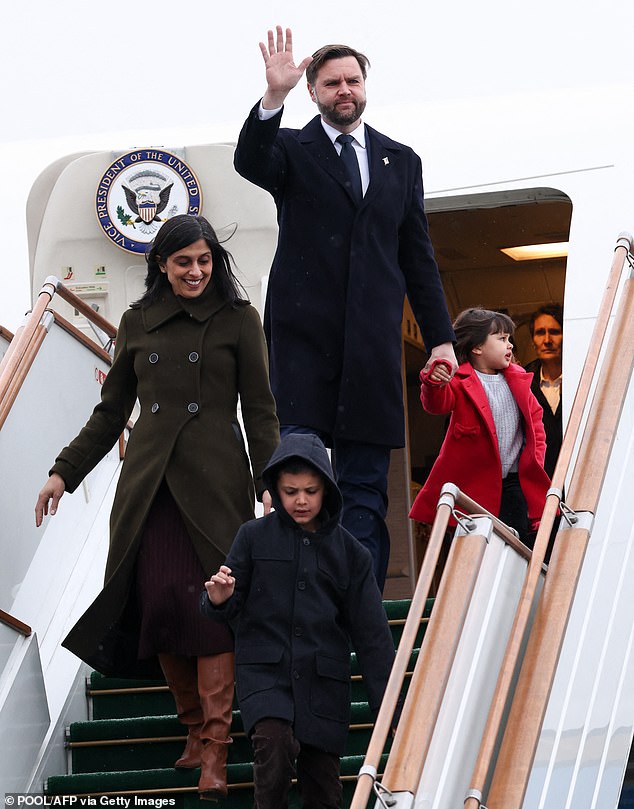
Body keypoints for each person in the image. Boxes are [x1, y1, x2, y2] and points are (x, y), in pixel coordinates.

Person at [34, 215, 280, 799]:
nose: (196, 272)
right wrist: (63, 471)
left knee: (211, 612)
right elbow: (111, 412)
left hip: (217, 483)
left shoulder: (240, 320)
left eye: (204, 260)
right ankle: (192, 729)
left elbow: (262, 409)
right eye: (182, 262)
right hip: (148, 485)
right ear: (162, 267)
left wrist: (272, 480)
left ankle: (216, 751)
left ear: (215, 261)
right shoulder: (136, 321)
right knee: (162, 607)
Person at [233, 26, 457, 592]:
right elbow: (249, 160)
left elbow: (417, 257)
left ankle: (360, 606)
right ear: (313, 91)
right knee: (302, 481)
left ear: (365, 86)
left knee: (365, 488)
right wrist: (272, 99)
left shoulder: (400, 161)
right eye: (331, 82)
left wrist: (441, 338)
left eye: (352, 80)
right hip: (304, 343)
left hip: (371, 347)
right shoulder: (290, 149)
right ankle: (300, 595)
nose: (344, 90)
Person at [202, 432, 396, 809]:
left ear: (327, 490)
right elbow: (224, 601)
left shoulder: (351, 554)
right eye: (291, 491)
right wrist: (219, 599)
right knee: (272, 752)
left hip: (324, 685)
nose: (301, 500)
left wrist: (390, 712)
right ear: (276, 488)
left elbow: (373, 639)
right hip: (265, 677)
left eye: (310, 490)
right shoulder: (252, 537)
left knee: (324, 790)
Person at [409, 308, 551, 544]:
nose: (510, 345)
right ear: (477, 347)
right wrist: (433, 381)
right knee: (474, 551)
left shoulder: (519, 379)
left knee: (515, 547)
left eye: (509, 339)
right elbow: (436, 404)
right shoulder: (457, 381)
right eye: (502, 339)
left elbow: (537, 427)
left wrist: (535, 461)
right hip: (473, 489)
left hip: (514, 484)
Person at [524, 304, 563, 479]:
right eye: (540, 333)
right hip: (539, 483)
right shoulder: (522, 383)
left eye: (554, 332)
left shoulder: (583, 376)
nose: (547, 340)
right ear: (533, 341)